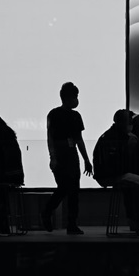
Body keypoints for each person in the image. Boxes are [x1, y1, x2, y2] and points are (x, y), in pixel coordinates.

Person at [42, 82, 93, 235]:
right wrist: (53, 157)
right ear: (68, 97)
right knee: (65, 188)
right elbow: (51, 138)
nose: (76, 100)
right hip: (62, 155)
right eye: (75, 97)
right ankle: (48, 212)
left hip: (71, 156)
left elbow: (78, 140)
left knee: (73, 191)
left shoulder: (73, 116)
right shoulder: (56, 114)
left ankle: (71, 223)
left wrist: (86, 160)